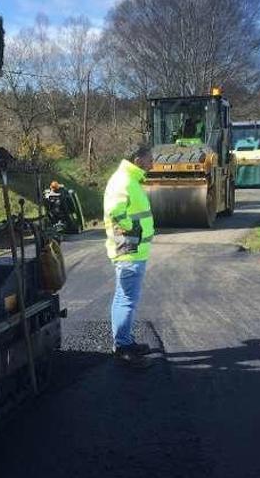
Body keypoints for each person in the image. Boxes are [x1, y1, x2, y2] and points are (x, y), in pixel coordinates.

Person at [104, 146, 156, 368]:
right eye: (149, 159)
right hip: (129, 248)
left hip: (132, 247)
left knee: (122, 297)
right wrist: (133, 229)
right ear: (138, 160)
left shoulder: (129, 179)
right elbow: (115, 212)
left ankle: (123, 342)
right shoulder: (123, 181)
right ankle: (123, 346)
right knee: (127, 299)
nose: (152, 164)